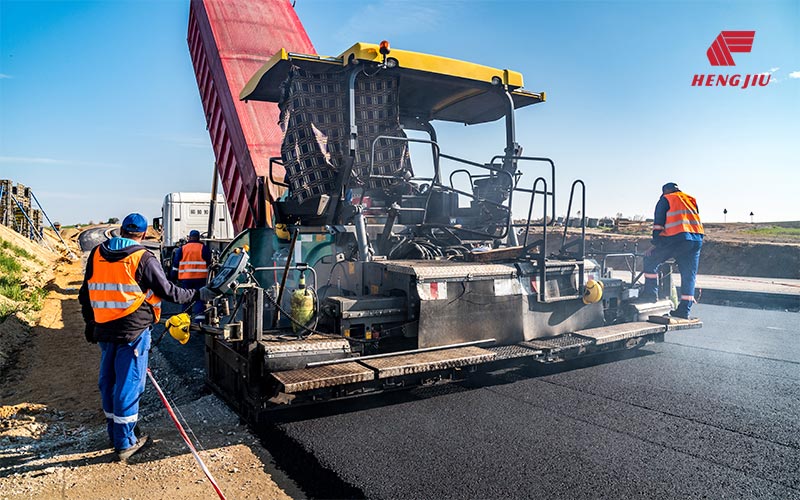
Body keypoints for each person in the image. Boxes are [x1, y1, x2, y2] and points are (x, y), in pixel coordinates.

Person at [79, 213, 217, 462]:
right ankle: (125, 442)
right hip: (132, 330)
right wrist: (199, 294)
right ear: (143, 234)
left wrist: (90, 321)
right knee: (129, 384)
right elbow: (170, 292)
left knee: (109, 381)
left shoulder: (98, 253)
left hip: (104, 329)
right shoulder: (142, 257)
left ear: (121, 231)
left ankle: (115, 432)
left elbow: (85, 292)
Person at [641, 182, 704, 318]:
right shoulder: (691, 199)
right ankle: (684, 311)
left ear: (665, 191)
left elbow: (658, 227)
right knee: (689, 275)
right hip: (696, 239)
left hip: (676, 239)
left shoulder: (666, 199)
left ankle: (650, 295)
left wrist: (654, 246)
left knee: (650, 260)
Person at [170, 229, 211, 317]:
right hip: (201, 278)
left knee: (186, 298)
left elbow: (176, 265)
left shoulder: (182, 249)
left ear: (189, 237)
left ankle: (185, 319)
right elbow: (209, 263)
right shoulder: (204, 248)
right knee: (200, 298)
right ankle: (199, 320)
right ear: (198, 238)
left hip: (186, 279)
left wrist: (172, 278)